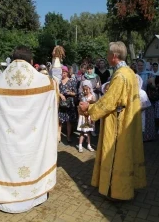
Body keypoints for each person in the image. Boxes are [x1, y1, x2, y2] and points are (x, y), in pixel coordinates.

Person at [0, 46, 58, 213]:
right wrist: (56, 60)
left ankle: (7, 199)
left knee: (9, 162)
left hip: (7, 140)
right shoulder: (43, 82)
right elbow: (55, 86)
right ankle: (34, 195)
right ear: (31, 61)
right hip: (33, 140)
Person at [79, 41, 146, 200]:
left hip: (118, 122)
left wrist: (89, 108)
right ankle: (129, 186)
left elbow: (110, 101)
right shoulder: (129, 72)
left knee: (115, 154)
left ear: (114, 56)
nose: (107, 57)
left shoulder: (120, 75)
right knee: (126, 153)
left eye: (108, 54)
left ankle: (116, 191)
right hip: (127, 119)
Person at [58, 66, 77, 143]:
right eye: (62, 73)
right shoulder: (59, 82)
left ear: (67, 72)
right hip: (61, 103)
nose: (63, 74)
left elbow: (75, 93)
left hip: (69, 103)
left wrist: (69, 93)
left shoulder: (72, 81)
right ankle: (58, 136)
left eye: (65, 72)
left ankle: (68, 137)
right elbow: (56, 91)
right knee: (60, 121)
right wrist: (60, 95)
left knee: (69, 121)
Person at [77, 80, 96, 153]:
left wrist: (92, 118)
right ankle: (80, 145)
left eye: (86, 90)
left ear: (90, 89)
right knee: (82, 132)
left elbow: (93, 107)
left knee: (88, 132)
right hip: (82, 117)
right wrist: (79, 115)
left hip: (88, 117)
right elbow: (79, 107)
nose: (85, 91)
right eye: (84, 90)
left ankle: (89, 145)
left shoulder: (92, 97)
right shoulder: (82, 97)